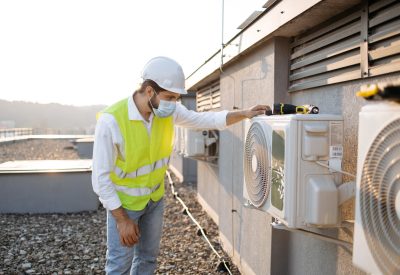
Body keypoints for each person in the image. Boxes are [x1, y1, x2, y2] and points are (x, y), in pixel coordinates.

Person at [91, 56, 270, 275]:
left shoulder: (167, 111)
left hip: (154, 199)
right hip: (125, 204)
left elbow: (205, 120)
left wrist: (243, 113)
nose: (174, 103)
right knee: (119, 265)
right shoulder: (111, 121)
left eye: (176, 98)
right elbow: (100, 179)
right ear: (149, 91)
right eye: (170, 97)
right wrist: (122, 220)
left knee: (147, 259)